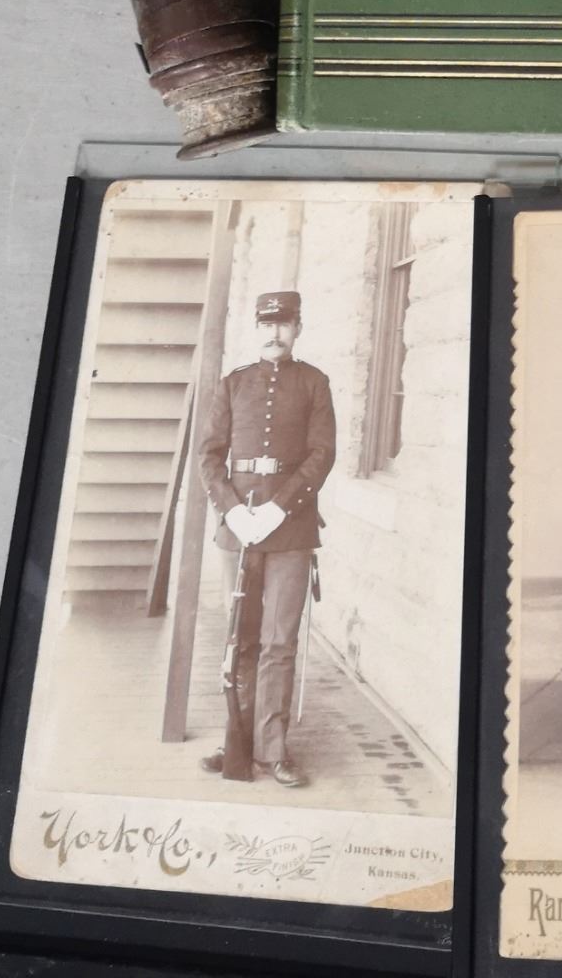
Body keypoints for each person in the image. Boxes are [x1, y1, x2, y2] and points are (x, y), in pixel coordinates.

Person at [196, 290, 336, 787]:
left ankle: (273, 749)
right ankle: (237, 739)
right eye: (267, 324)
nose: (275, 333)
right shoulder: (232, 385)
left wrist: (278, 507)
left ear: (297, 329)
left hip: (291, 528)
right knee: (241, 637)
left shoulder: (315, 383)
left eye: (284, 324)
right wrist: (234, 512)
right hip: (238, 530)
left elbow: (321, 455)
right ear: (256, 329)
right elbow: (209, 456)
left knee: (279, 640)